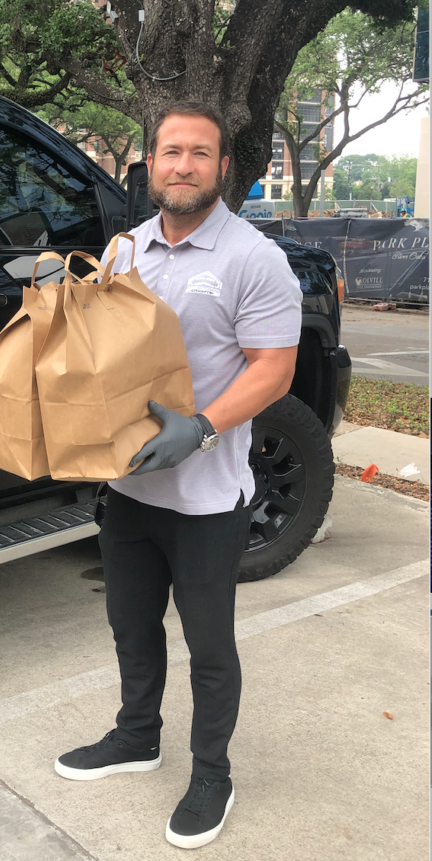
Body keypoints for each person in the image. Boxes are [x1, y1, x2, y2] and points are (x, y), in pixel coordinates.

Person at [54, 102, 303, 849]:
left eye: (200, 153)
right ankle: (137, 737)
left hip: (205, 495)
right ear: (150, 163)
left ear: (223, 167)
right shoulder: (127, 249)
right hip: (129, 486)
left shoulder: (253, 258)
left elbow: (275, 368)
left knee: (208, 643)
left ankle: (211, 772)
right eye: (171, 151)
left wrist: (200, 429)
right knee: (130, 625)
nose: (184, 165)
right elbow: (103, 353)